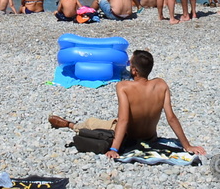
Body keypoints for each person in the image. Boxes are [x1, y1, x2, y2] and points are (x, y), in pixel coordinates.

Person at [48, 49, 205, 157]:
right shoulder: (161, 84)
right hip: (150, 138)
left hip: (129, 137)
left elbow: (124, 120)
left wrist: (114, 148)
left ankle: (69, 125)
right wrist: (187, 145)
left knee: (92, 122)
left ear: (135, 70)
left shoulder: (124, 87)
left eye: (130, 64)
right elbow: (171, 118)